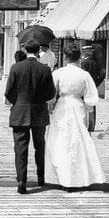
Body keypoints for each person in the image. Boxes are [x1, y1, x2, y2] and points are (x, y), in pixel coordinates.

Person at [44, 43, 104, 190]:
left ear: (65, 57)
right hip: (78, 106)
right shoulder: (84, 75)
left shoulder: (58, 73)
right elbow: (90, 96)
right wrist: (89, 113)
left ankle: (62, 177)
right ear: (79, 58)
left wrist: (50, 106)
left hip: (62, 106)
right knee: (77, 141)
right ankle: (77, 178)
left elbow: (51, 95)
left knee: (61, 141)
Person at [5, 39, 57, 194]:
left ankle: (21, 180)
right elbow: (51, 93)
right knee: (39, 146)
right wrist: (40, 100)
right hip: (38, 112)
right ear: (38, 50)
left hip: (20, 112)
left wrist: (18, 102)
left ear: (25, 49)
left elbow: (9, 92)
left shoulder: (16, 68)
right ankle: (41, 176)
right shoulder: (45, 69)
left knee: (20, 147)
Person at [79, 45, 106, 132]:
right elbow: (102, 74)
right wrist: (96, 84)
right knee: (92, 105)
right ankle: (91, 125)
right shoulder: (96, 62)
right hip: (93, 86)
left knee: (83, 105)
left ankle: (85, 124)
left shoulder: (84, 63)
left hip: (85, 86)